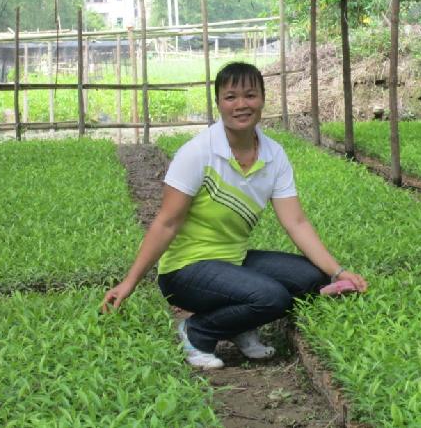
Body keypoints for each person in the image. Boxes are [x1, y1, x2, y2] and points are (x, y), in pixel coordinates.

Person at [101, 62, 368, 369]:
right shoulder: (198, 152)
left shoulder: (273, 154)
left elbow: (296, 222)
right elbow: (167, 222)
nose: (241, 105)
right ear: (218, 103)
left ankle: (238, 325)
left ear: (263, 99)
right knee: (273, 297)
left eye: (250, 95)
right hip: (186, 270)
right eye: (231, 97)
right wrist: (130, 282)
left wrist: (337, 272)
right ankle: (197, 332)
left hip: (233, 260)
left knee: (310, 279)